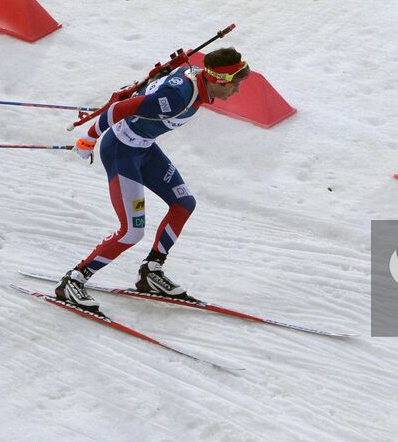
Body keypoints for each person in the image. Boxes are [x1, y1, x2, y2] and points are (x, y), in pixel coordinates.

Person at [53, 48, 251, 313]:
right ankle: (74, 279)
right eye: (235, 84)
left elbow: (166, 77)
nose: (237, 90)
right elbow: (119, 109)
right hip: (120, 151)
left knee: (184, 203)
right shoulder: (177, 98)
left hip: (144, 148)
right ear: (218, 80)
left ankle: (151, 271)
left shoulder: (194, 77)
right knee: (132, 231)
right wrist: (89, 138)